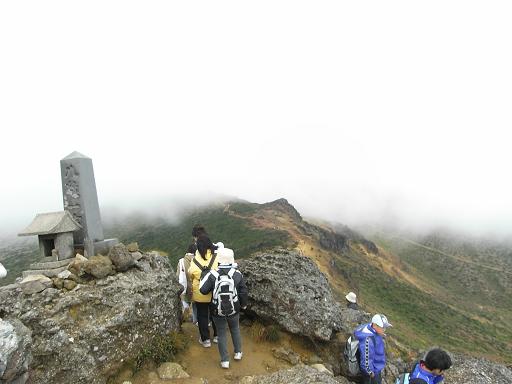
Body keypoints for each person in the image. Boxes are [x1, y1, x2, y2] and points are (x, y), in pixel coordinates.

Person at [200, 247, 248, 369]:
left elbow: (203, 290)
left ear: (218, 260)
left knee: (221, 333)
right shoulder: (237, 274)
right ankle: (238, 353)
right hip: (234, 308)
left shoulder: (213, 274)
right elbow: (243, 291)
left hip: (217, 309)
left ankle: (225, 361)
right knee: (235, 329)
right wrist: (243, 304)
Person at [188, 234, 218, 347]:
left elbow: (191, 273)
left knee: (202, 315)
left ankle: (205, 340)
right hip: (214, 291)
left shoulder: (195, 259)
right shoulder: (215, 257)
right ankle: (217, 336)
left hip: (200, 292)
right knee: (215, 314)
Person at [354, 313, 392, 384]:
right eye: (383, 328)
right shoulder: (368, 340)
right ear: (375, 325)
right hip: (373, 372)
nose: (384, 330)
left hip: (376, 366)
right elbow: (366, 361)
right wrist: (371, 373)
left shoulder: (369, 327)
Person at [176, 248, 196, 323]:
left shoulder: (181, 261)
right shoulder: (198, 260)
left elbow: (178, 275)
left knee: (185, 301)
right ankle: (195, 319)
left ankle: (184, 317)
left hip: (185, 285)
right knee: (195, 304)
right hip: (195, 286)